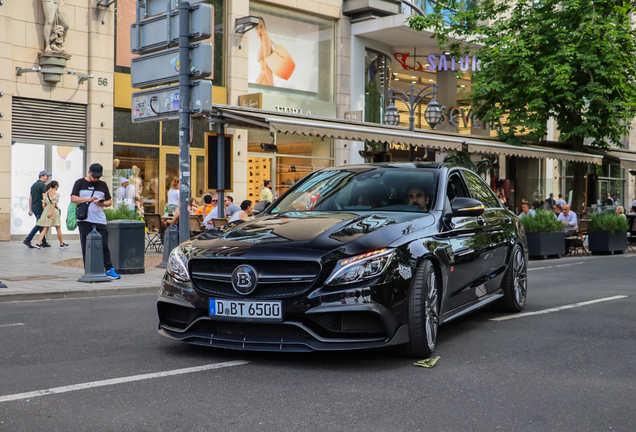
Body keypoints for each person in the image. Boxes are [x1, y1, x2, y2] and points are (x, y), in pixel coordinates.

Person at [71, 163, 121, 280]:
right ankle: (88, 269)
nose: (96, 179)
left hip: (100, 219)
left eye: (99, 177)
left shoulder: (102, 185)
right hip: (85, 219)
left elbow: (109, 202)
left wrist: (101, 203)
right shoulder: (80, 183)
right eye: (95, 177)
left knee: (104, 245)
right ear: (89, 172)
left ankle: (109, 269)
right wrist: (88, 199)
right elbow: (73, 198)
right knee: (85, 245)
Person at [34, 181, 68, 249]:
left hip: (46, 211)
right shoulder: (56, 194)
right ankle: (62, 244)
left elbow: (43, 204)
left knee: (45, 229)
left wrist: (46, 211)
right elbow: (53, 204)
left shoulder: (46, 194)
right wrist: (51, 213)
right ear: (56, 186)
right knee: (58, 228)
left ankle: (38, 243)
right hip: (54, 212)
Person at [24, 170, 51, 249]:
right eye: (47, 176)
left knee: (41, 224)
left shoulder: (34, 185)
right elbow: (44, 197)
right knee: (39, 225)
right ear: (41, 176)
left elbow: (31, 197)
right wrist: (48, 208)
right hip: (41, 207)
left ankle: (44, 242)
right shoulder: (42, 185)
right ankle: (28, 239)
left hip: (35, 207)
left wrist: (30, 208)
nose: (48, 178)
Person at [254, 17, 274, 86]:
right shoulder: (263, 44)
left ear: (265, 28)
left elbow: (267, 63)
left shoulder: (265, 35)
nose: (259, 30)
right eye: (257, 28)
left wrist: (271, 84)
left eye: (261, 27)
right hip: (263, 77)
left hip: (265, 78)